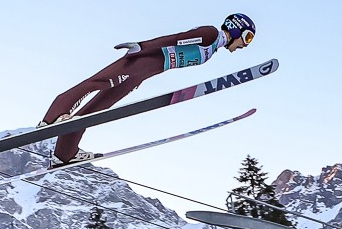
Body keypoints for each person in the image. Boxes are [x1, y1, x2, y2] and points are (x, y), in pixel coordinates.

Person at [40, 13, 256, 165]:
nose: (245, 45)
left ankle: (64, 153)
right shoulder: (210, 34)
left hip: (146, 72)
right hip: (142, 60)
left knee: (96, 110)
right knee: (98, 82)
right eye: (247, 37)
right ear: (236, 28)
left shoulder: (213, 48)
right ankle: (53, 117)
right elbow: (175, 39)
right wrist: (142, 47)